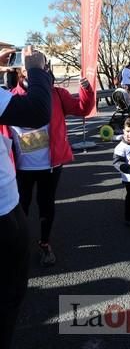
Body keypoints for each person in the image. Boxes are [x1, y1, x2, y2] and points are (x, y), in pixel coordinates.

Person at [2, 67, 95, 267]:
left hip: (50, 166)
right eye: (29, 70)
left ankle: (44, 243)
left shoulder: (56, 94)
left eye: (40, 69)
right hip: (19, 168)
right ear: (21, 74)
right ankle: (20, 245)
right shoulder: (10, 97)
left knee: (46, 206)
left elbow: (82, 109)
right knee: (20, 208)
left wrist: (86, 89)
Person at [0, 47, 52, 349]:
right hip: (4, 211)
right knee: (8, 294)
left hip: (37, 173)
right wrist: (36, 69)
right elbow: (36, 112)